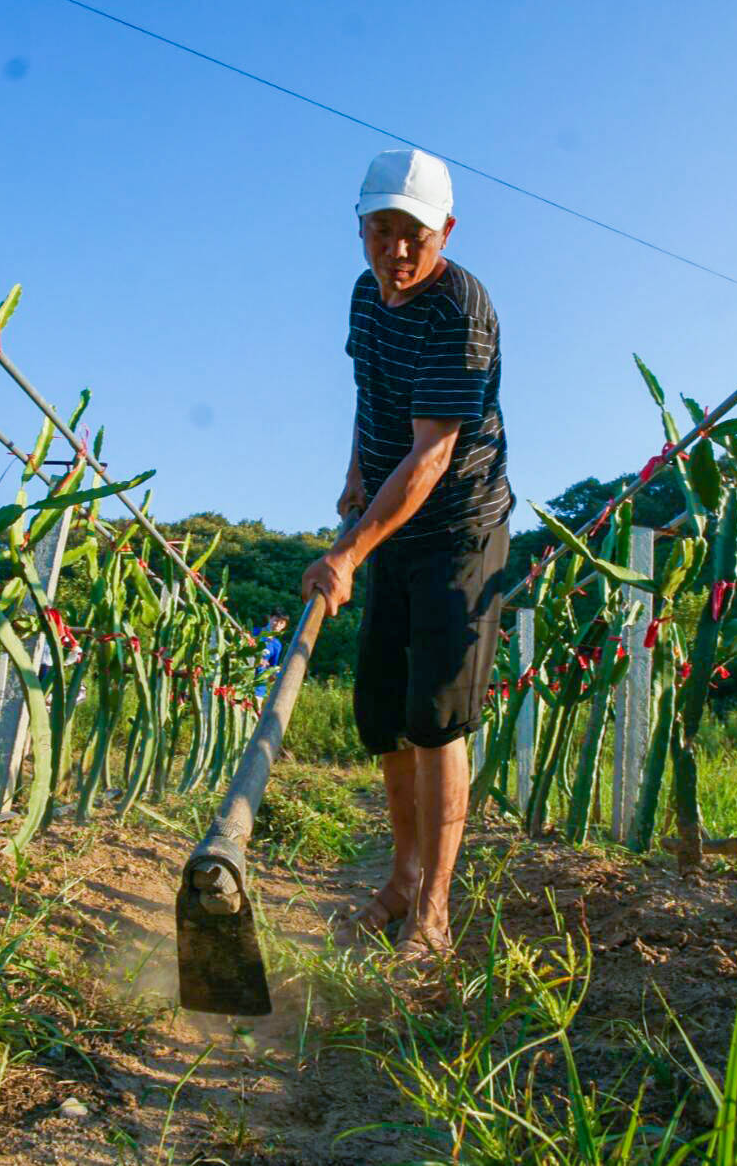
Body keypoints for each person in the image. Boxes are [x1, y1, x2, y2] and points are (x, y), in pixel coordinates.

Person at [300, 148, 512, 962]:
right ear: (360, 228)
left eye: (412, 233)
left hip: (458, 528)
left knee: (433, 719)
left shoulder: (461, 308)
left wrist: (349, 551)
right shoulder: (365, 297)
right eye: (380, 229)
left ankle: (432, 912)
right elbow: (369, 395)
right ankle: (398, 878)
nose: (395, 249)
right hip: (389, 519)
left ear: (444, 231)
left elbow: (430, 455)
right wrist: (355, 471)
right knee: (382, 714)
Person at [252, 612, 289, 700]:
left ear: (284, 627)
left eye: (281, 623)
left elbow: (271, 668)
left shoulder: (277, 645)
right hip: (242, 682)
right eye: (276, 620)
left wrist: (277, 674)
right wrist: (257, 659)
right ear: (270, 618)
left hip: (259, 689)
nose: (277, 625)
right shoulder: (254, 632)